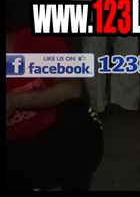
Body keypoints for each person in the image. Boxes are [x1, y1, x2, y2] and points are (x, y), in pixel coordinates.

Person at [6, 19, 104, 191]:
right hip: (14, 153)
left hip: (54, 143)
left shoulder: (39, 40)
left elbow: (72, 88)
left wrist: (15, 101)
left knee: (77, 112)